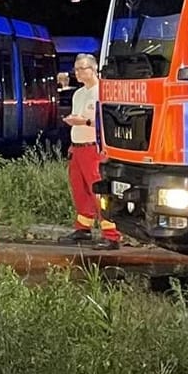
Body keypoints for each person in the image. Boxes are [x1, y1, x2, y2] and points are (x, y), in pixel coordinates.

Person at [62, 53, 121, 248]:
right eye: (76, 69)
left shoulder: (103, 92)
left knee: (99, 190)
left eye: (81, 69)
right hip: (78, 148)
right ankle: (83, 227)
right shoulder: (78, 94)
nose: (77, 73)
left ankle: (111, 234)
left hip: (94, 148)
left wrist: (85, 121)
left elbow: (108, 123)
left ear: (93, 69)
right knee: (80, 189)